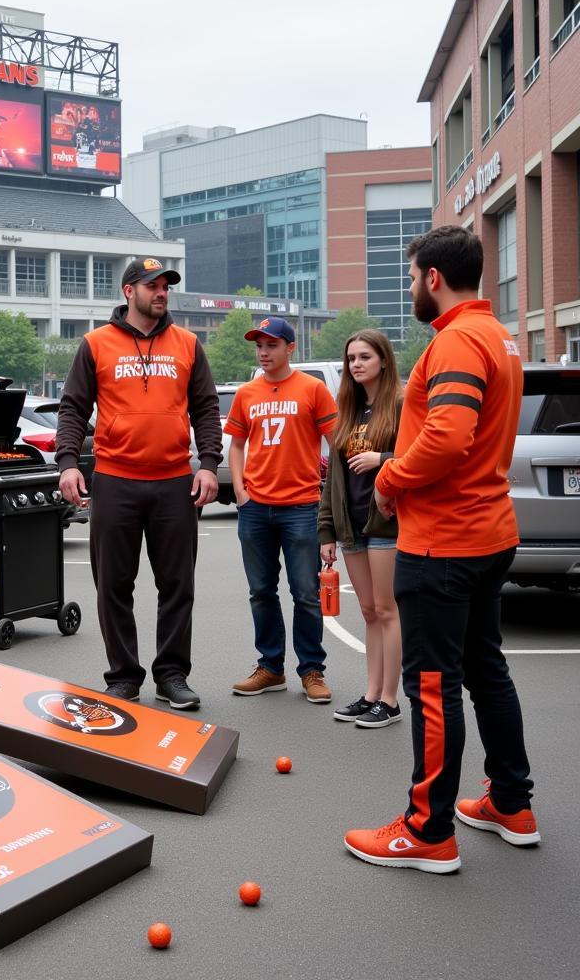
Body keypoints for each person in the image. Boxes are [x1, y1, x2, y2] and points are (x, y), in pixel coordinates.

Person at [345, 225, 539, 874]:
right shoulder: (499, 337)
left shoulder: (456, 341)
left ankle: (428, 832)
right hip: (489, 534)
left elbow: (450, 437)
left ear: (433, 278)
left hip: (444, 543)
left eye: (410, 276)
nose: (409, 288)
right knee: (486, 670)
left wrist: (391, 477)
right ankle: (512, 803)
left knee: (433, 685)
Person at [56, 257, 221, 710]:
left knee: (177, 586)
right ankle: (124, 677)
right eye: (153, 285)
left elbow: (206, 409)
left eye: (166, 284)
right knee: (113, 585)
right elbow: (72, 408)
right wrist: (69, 462)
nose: (162, 291)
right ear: (129, 291)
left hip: (174, 482)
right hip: (115, 480)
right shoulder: (95, 344)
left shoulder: (188, 344)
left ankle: (171, 675)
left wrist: (208, 463)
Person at [226, 317, 338, 703]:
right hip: (255, 508)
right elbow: (237, 446)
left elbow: (336, 444)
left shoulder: (313, 389)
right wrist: (240, 491)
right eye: (258, 345)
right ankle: (271, 668)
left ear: (291, 348)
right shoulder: (247, 393)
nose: (263, 352)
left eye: (271, 345)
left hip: (301, 508)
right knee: (261, 592)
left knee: (305, 593)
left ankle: (312, 671)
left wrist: (330, 507)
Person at [319, 329, 403, 728]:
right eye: (351, 358)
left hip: (385, 523)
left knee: (387, 611)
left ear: (383, 360)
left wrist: (382, 457)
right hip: (351, 526)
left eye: (364, 357)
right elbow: (332, 479)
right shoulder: (348, 408)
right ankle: (370, 694)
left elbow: (420, 456)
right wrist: (327, 532)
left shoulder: (402, 404)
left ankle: (390, 699)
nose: (356, 364)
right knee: (369, 612)